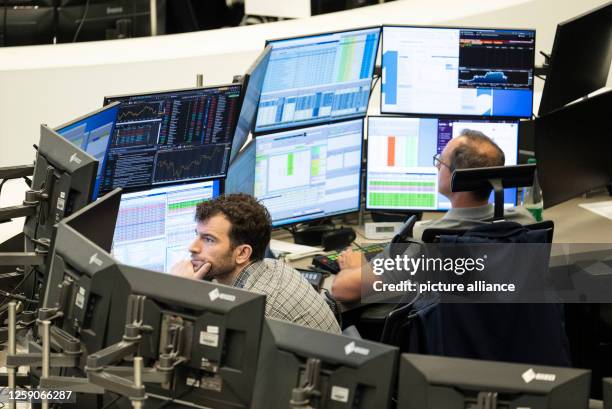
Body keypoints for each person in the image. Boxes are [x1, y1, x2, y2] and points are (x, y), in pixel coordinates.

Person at [331, 130, 535, 303]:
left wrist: (356, 268)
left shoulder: (429, 239)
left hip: (451, 346)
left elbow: (342, 290)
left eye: (441, 162)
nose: (437, 167)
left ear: (457, 178)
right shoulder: (525, 222)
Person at [171, 193, 341, 334]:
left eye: (208, 239)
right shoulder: (272, 265)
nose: (192, 247)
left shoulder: (256, 308)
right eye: (197, 235)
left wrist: (178, 292)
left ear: (243, 253)